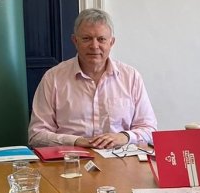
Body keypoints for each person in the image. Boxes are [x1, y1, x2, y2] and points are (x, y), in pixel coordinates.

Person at [28, 8, 157, 149]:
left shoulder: (131, 77)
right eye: (86, 39)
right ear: (75, 41)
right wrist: (77, 141)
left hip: (120, 157)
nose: (94, 46)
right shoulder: (53, 78)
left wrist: (124, 136)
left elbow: (149, 129)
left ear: (111, 42)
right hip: (71, 158)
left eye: (101, 39)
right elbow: (36, 135)